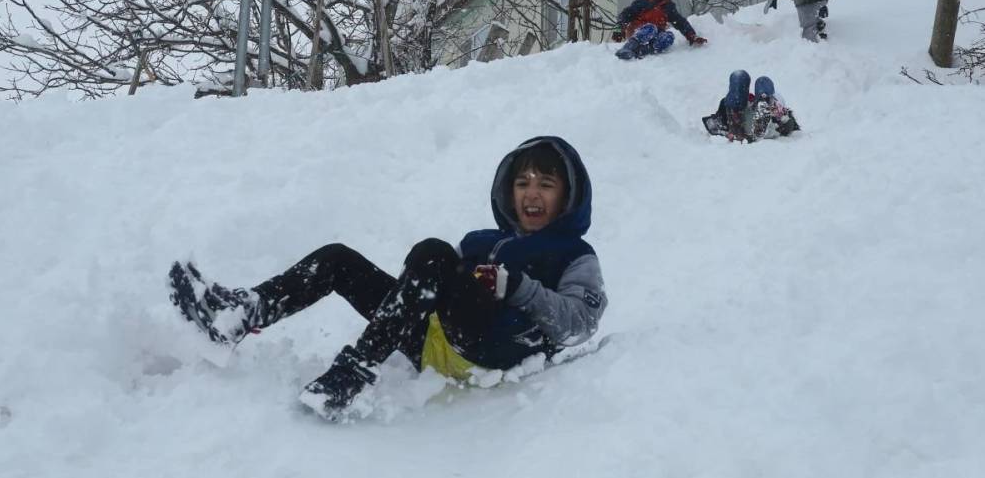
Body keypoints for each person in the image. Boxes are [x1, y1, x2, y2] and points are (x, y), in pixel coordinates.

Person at [167, 136, 607, 421]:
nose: (531, 193)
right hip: (435, 342)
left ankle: (352, 374)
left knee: (434, 252)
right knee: (340, 259)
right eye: (523, 182)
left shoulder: (573, 254)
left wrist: (518, 287)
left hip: (494, 349)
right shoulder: (480, 239)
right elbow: (429, 284)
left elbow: (579, 323)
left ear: (568, 195)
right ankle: (239, 315)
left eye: (546, 184)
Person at [612, 0, 707, 59]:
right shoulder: (643, 0)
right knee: (651, 27)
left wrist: (692, 36)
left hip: (656, 34)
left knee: (669, 36)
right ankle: (629, 47)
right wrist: (618, 28)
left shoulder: (668, 5)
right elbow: (626, 14)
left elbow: (680, 22)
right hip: (639, 32)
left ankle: (643, 51)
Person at [702, 71, 800, 142]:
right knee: (760, 81)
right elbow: (789, 125)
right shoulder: (729, 103)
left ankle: (740, 118)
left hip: (743, 122)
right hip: (756, 122)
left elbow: (788, 124)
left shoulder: (728, 102)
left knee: (742, 78)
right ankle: (763, 102)